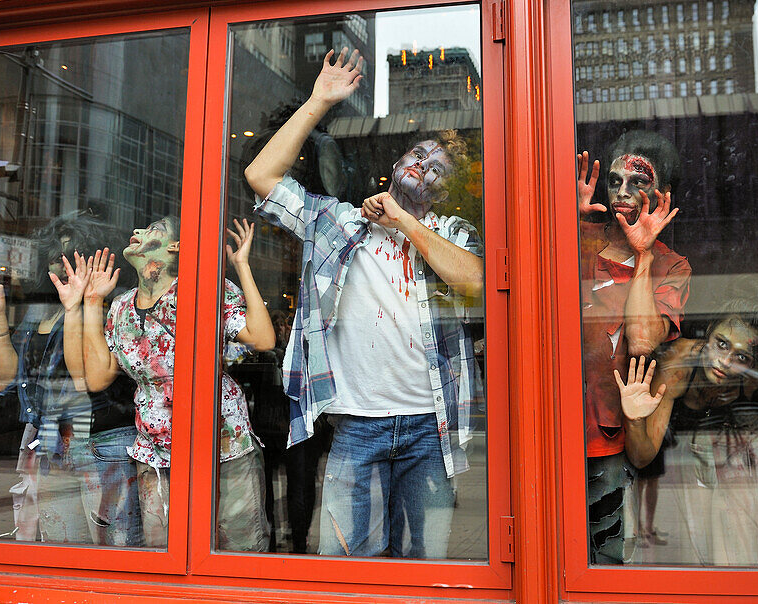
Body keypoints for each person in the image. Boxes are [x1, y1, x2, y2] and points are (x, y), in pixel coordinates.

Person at [244, 48, 483, 559]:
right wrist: (319, 101)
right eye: (418, 157)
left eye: (438, 170)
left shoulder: (448, 233)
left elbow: (476, 284)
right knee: (350, 573)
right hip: (354, 429)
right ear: (396, 165)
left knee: (426, 575)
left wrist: (405, 222)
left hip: (428, 431)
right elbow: (260, 177)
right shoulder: (337, 224)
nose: (424, 169)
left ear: (441, 195)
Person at [78, 216, 275, 550]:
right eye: (137, 227)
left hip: (222, 445)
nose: (136, 230)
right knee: (165, 552)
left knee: (240, 549)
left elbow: (263, 338)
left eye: (151, 228)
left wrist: (241, 265)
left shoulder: (204, 290)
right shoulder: (122, 307)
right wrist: (93, 302)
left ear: (176, 247)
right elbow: (97, 377)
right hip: (155, 455)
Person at [615, 304, 758, 565]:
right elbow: (642, 457)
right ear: (708, 332)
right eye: (721, 344)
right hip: (688, 467)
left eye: (742, 357)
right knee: (693, 548)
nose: (725, 361)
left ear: (755, 362)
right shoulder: (679, 366)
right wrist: (634, 421)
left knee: (743, 547)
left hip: (742, 461)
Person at [0, 212, 141, 545]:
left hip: (101, 444)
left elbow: (86, 379)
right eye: (54, 254)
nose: (61, 263)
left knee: (114, 559)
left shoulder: (111, 305)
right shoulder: (41, 310)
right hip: (51, 446)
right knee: (64, 552)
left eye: (72, 252)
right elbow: (4, 382)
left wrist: (83, 304)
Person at [576, 131, 691, 564]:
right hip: (553, 428)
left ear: (660, 197)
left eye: (637, 183)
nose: (622, 193)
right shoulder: (582, 236)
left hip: (608, 437)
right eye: (615, 181)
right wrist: (573, 223)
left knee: (603, 558)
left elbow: (642, 340)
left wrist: (642, 257)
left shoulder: (670, 264)